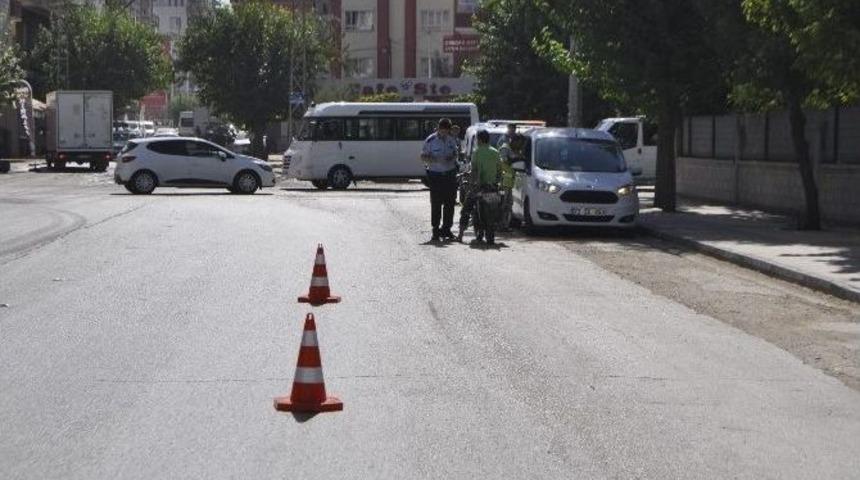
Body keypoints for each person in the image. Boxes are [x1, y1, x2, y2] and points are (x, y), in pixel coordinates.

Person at [457, 129, 501, 244]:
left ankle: (460, 234)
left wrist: (472, 182)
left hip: (479, 187)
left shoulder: (477, 152)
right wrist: (496, 182)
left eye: (477, 139)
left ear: (480, 140)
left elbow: (474, 170)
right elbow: (499, 171)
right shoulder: (496, 152)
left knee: (466, 209)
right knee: (497, 208)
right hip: (492, 187)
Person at [421, 118, 460, 242]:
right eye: (442, 130)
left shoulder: (451, 140)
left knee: (450, 203)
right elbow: (423, 156)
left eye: (446, 131)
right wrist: (433, 160)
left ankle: (447, 229)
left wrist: (452, 157)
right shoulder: (430, 140)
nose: (444, 133)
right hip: (435, 174)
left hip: (449, 174)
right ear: (438, 128)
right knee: (436, 203)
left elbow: (455, 153)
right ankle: (436, 230)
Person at [497, 133, 521, 231]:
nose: (518, 145)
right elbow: (504, 161)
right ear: (513, 141)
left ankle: (505, 225)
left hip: (509, 183)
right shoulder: (505, 148)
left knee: (508, 204)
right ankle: (500, 225)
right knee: (502, 205)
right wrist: (516, 159)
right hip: (503, 183)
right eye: (518, 143)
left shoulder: (513, 150)